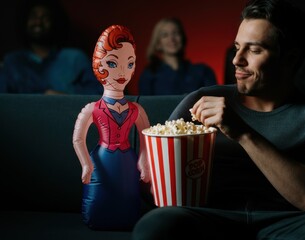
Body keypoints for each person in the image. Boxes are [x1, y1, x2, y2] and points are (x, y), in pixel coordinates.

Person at [132, 0, 305, 239]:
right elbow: (155, 176)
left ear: (290, 58)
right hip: (208, 217)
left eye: (254, 50)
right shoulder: (202, 100)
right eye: (237, 47)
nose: (237, 60)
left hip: (289, 221)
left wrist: (243, 134)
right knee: (154, 226)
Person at [72, 25, 151, 230]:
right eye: (113, 63)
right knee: (99, 200)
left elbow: (146, 139)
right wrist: (86, 164)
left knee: (128, 197)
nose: (123, 72)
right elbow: (78, 139)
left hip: (127, 162)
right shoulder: (92, 109)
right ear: (99, 66)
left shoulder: (137, 110)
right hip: (102, 162)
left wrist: (145, 162)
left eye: (130, 63)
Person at [0, 0, 101, 94]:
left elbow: (98, 93)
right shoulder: (12, 61)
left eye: (45, 17)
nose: (38, 22)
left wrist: (64, 99)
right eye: (33, 17)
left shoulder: (75, 58)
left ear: (55, 22)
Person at [138, 17, 217, 95]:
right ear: (158, 44)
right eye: (165, 35)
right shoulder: (149, 75)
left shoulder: (203, 71)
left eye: (176, 33)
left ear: (182, 38)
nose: (172, 39)